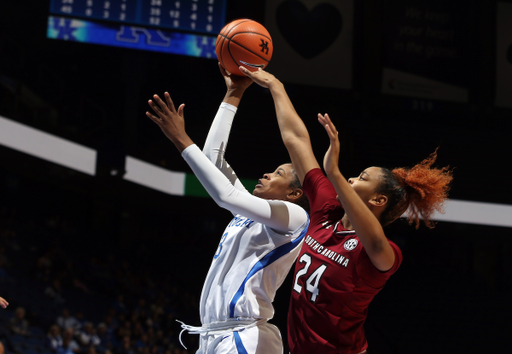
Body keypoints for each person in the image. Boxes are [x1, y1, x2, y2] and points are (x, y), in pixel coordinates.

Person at [239, 66, 453, 354]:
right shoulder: (327, 210)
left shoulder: (383, 253)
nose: (352, 178)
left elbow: (374, 239)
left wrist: (335, 174)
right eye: (353, 176)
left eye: (362, 178)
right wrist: (275, 86)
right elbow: (297, 142)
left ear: (378, 201)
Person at [145, 64, 309, 354]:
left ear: (295, 193)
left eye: (278, 174)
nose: (266, 175)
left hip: (246, 337)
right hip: (214, 336)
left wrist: (180, 139)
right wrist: (234, 93)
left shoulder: (295, 217)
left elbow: (226, 196)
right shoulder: (249, 216)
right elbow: (212, 161)